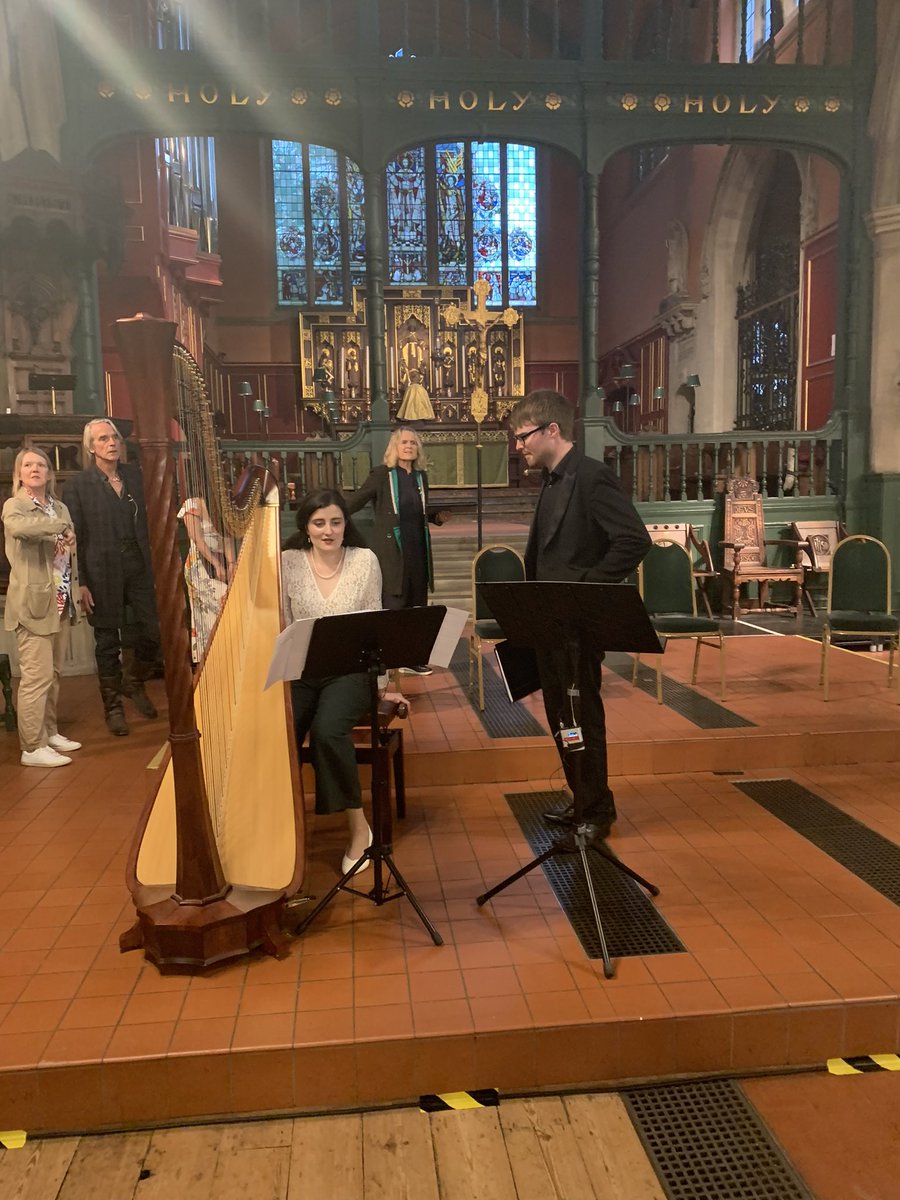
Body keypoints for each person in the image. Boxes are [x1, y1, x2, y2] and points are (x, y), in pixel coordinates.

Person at [510, 390, 651, 848]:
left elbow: (633, 540)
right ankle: (582, 795)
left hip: (576, 623)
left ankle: (597, 810)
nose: (519, 447)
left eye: (523, 436)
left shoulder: (591, 477)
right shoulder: (553, 480)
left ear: (552, 430)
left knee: (582, 714)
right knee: (560, 715)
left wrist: (585, 589)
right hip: (552, 624)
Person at [282, 489, 382, 875]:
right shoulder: (288, 562)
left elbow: (375, 620)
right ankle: (280, 826)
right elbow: (283, 622)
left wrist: (387, 683)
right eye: (319, 523)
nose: (328, 530)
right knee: (279, 732)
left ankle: (358, 829)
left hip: (351, 670)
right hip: (303, 671)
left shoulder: (364, 560)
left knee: (326, 731)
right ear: (306, 527)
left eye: (335, 522)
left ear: (346, 525)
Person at [62, 419, 161, 737]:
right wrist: (81, 581)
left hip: (138, 565)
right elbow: (75, 535)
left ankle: (133, 682)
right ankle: (113, 708)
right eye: (103, 439)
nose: (111, 443)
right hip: (101, 569)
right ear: (91, 447)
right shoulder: (78, 485)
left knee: (153, 631)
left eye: (114, 437)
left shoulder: (135, 476)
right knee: (107, 642)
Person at [345, 427, 449, 676]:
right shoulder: (382, 475)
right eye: (404, 442)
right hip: (393, 550)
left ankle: (412, 658)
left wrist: (435, 517)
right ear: (395, 446)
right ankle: (390, 658)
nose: (409, 446)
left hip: (418, 548)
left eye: (413, 442)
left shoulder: (420, 477)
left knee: (416, 603)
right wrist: (332, 511)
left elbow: (417, 512)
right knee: (394, 602)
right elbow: (358, 500)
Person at [3, 447, 83, 767]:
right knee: (35, 678)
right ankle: (32, 747)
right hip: (32, 602)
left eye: (41, 465)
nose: (35, 469)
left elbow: (69, 536)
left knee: (53, 673)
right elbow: (21, 530)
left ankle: (49, 731)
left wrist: (68, 535)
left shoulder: (59, 506)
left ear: (49, 473)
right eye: (28, 465)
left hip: (60, 597)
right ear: (19, 474)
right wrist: (58, 527)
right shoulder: (16, 505)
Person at [177, 495, 235, 663]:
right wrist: (216, 564)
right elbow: (198, 540)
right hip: (200, 567)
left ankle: (223, 657)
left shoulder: (222, 503)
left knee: (222, 610)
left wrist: (231, 563)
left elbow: (226, 540)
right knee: (222, 603)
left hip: (221, 563)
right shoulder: (191, 504)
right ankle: (211, 658)